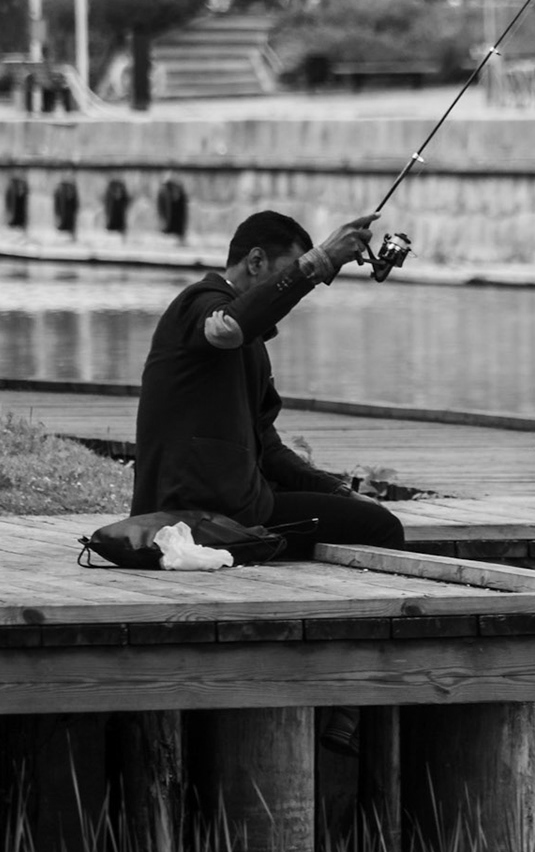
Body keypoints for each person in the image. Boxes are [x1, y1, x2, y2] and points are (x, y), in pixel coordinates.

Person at [132, 209, 403, 754]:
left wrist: (334, 489)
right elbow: (228, 326)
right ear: (255, 262)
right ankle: (346, 705)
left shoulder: (251, 344)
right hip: (194, 517)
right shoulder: (200, 307)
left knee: (365, 518)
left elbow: (268, 447)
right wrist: (320, 262)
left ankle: (340, 695)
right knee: (382, 530)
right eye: (281, 273)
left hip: (242, 506)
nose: (286, 295)